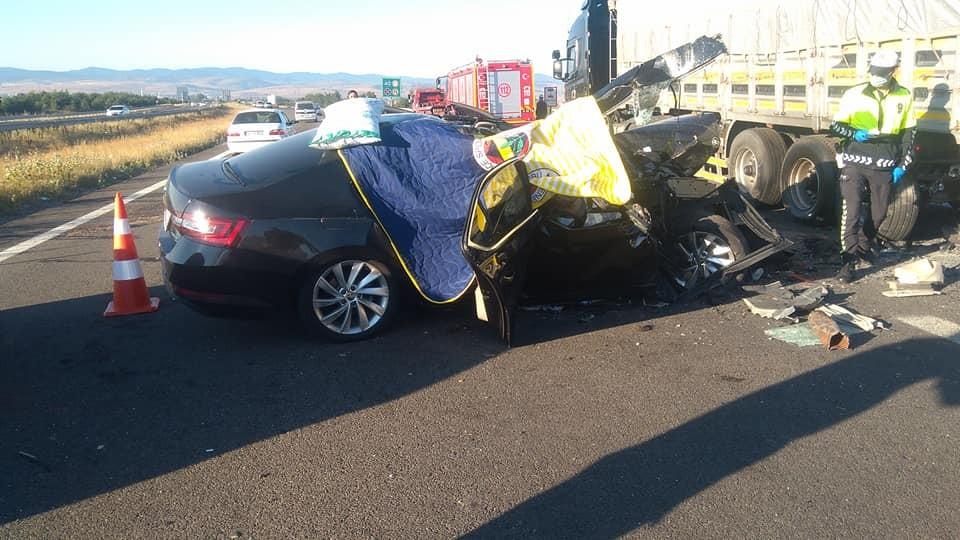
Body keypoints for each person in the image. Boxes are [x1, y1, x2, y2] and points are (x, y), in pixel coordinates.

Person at [829, 50, 916, 283]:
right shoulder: (854, 94)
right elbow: (835, 126)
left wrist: (902, 165)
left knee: (879, 213)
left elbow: (908, 134)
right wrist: (854, 134)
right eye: (873, 72)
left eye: (881, 72)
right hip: (855, 160)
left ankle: (864, 245)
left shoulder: (904, 95)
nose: (875, 76)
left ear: (893, 71)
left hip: (885, 162)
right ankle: (848, 261)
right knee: (852, 210)